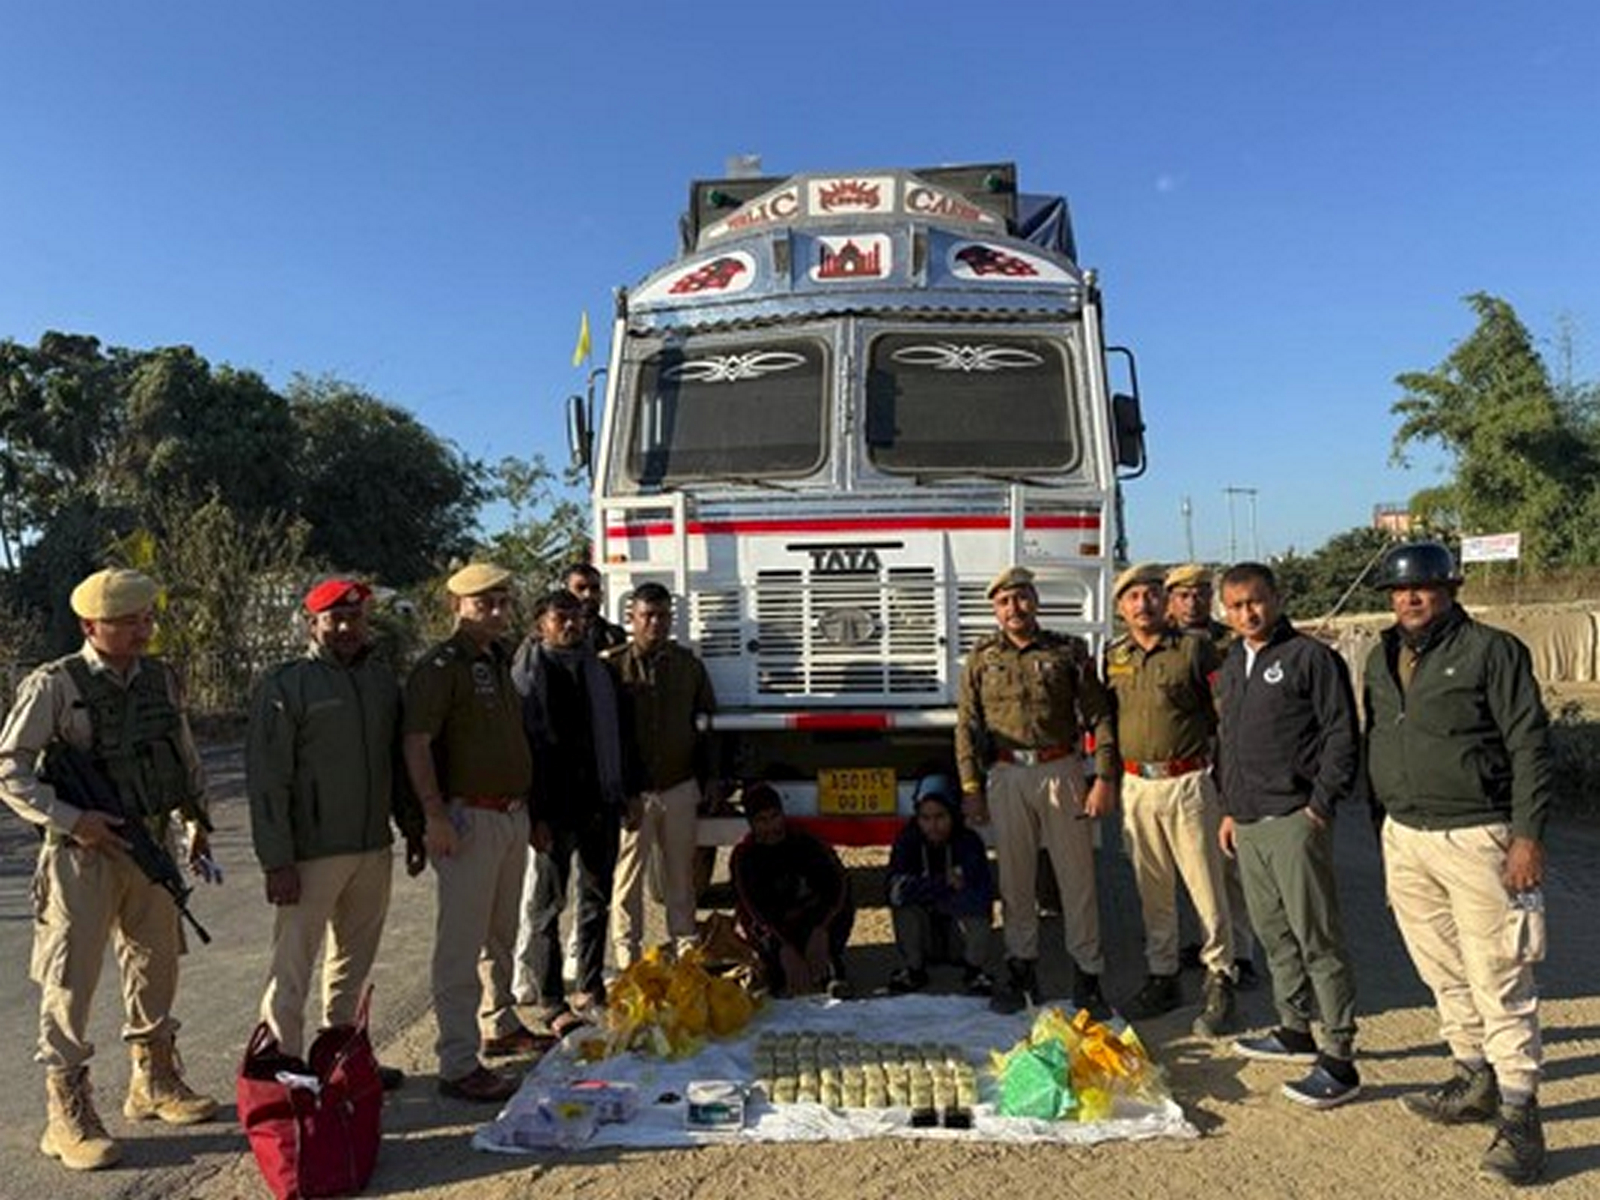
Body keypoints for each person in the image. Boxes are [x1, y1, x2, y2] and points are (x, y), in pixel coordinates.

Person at [0, 568, 217, 1171]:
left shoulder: (160, 679)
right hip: (82, 857)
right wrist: (73, 819)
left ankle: (154, 1081)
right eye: (128, 621)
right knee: (69, 980)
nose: (143, 630)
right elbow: (9, 769)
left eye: (147, 618)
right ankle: (64, 1112)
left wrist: (195, 819)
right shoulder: (55, 686)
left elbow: (182, 752)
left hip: (149, 844)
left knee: (156, 963)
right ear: (90, 625)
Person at [1364, 542, 1552, 1185]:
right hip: (1407, 835)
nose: (1410, 598)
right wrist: (1381, 829)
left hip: (1479, 836)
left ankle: (1522, 1114)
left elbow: (1530, 743)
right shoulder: (1379, 654)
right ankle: (1474, 1076)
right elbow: (1378, 739)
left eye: (1424, 587)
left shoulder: (1491, 651)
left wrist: (1527, 837)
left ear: (1452, 588)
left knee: (1499, 973)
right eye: (1399, 590)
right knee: (1441, 967)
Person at [246, 578, 424, 1091]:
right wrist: (276, 859)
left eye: (355, 618)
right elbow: (267, 779)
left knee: (354, 958)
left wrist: (410, 828)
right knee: (294, 961)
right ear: (313, 623)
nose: (347, 628)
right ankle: (283, 1063)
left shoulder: (380, 682)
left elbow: (395, 762)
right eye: (335, 619)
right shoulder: (287, 685)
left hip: (371, 846)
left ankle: (341, 1051)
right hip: (310, 853)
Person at [1214, 562, 1361, 1110]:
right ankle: (1294, 1027)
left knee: (1316, 936)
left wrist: (1319, 806)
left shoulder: (1309, 658)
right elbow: (1227, 743)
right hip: (1247, 822)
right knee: (1273, 932)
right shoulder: (1233, 663)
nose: (1246, 613)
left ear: (1275, 598)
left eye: (1254, 601)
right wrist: (1229, 809)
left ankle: (1340, 1053)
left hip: (1295, 818)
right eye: (1234, 606)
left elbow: (1341, 734)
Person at [403, 562, 542, 1104]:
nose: (497, 610)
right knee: (460, 946)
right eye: (484, 602)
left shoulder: (499, 659)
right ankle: (458, 1062)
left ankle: (500, 1023)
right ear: (456, 606)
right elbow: (417, 743)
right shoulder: (441, 666)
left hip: (510, 815)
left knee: (501, 933)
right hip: (468, 818)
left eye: (503, 601)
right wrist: (433, 814)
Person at [955, 564, 1119, 1016]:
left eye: (1022, 597)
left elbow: (1098, 716)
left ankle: (1088, 974)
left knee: (1076, 879)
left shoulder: (1068, 651)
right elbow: (967, 726)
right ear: (995, 609)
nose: (1015, 608)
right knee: (1015, 880)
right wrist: (971, 786)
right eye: (1005, 601)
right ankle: (1021, 965)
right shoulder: (982, 657)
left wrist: (1103, 776)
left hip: (1060, 771)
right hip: (1006, 776)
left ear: (1035, 601)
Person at [1104, 563, 1237, 1037]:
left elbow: (1226, 717)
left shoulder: (1195, 650)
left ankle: (1221, 977)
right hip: (1137, 785)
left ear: (1165, 600)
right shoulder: (1113, 657)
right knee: (1152, 889)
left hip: (1188, 782)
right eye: (1133, 597)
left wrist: (1229, 785)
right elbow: (1104, 723)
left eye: (1152, 594)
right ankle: (1163, 976)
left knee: (1206, 885)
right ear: (1120, 608)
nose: (1144, 604)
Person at [512, 589, 627, 1036]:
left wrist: (625, 793)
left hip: (599, 801)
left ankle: (590, 986)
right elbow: (525, 750)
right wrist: (534, 814)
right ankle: (551, 999)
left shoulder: (600, 672)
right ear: (541, 623)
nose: (571, 625)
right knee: (548, 906)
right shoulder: (525, 676)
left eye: (576, 617)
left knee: (596, 899)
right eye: (561, 617)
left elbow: (623, 735)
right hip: (551, 810)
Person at [604, 582, 717, 968]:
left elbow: (706, 725)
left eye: (664, 615)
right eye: (648, 615)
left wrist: (710, 780)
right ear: (632, 619)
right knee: (626, 883)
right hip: (632, 795)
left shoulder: (689, 667)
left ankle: (686, 955)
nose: (656, 623)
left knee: (680, 879)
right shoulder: (612, 667)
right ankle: (627, 962)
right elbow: (605, 736)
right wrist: (619, 791)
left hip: (679, 787)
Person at [1166, 562, 1258, 990]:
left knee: (1228, 865)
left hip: (1226, 761)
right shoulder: (1163, 642)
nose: (1192, 602)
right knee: (1192, 868)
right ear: (1171, 600)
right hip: (1185, 765)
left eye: (1200, 593)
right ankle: (1203, 941)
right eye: (1183, 595)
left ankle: (1241, 951)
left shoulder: (1231, 642)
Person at [730, 783, 854, 997]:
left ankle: (829, 970)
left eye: (774, 817)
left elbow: (839, 885)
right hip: (777, 927)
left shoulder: (807, 842)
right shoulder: (745, 857)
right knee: (779, 978)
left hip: (813, 922)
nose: (771, 827)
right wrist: (784, 947)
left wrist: (821, 931)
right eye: (762, 821)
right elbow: (751, 910)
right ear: (751, 824)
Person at [885, 774, 995, 995]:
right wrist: (943, 883)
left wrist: (926, 890)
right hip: (924, 931)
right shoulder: (908, 842)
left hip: (957, 932)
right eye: (925, 818)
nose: (933, 826)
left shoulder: (969, 842)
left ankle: (974, 970)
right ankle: (914, 970)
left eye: (940, 817)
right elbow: (895, 891)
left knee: (977, 907)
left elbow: (980, 893)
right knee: (903, 906)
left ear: (953, 814)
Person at [564, 562, 627, 652]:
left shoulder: (614, 635)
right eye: (580, 588)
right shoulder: (554, 636)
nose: (588, 595)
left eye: (594, 588)